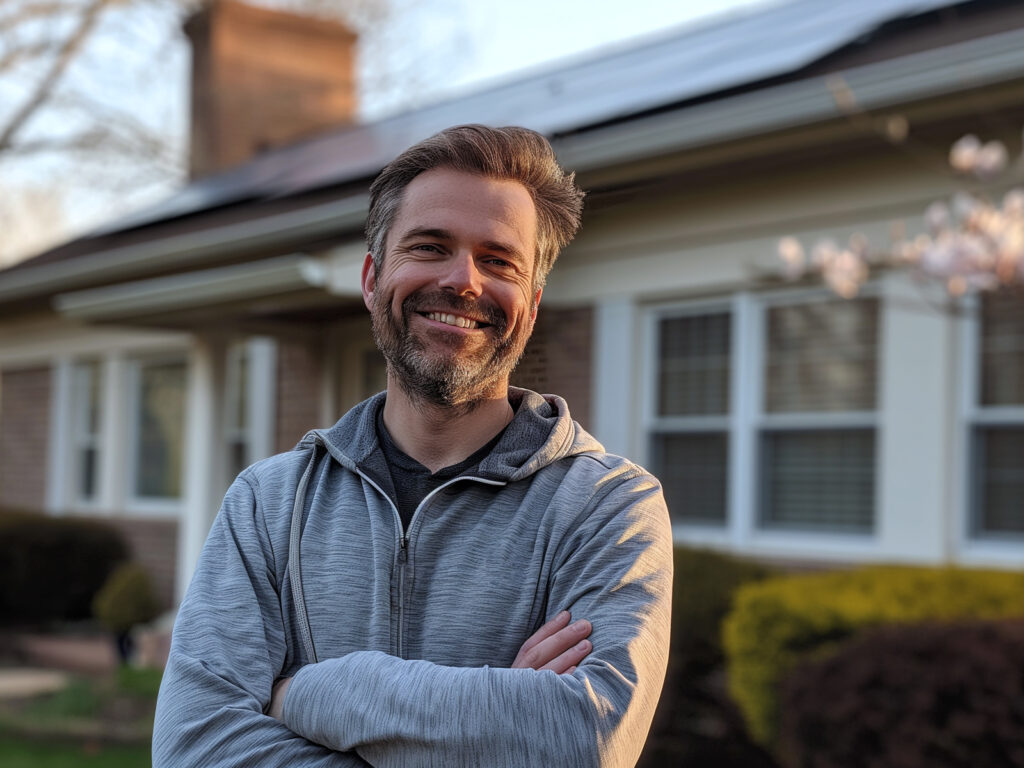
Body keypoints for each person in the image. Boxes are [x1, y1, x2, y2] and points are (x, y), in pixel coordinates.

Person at [153, 124, 673, 767]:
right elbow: (193, 747)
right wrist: (502, 719)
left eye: (499, 260)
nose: (463, 281)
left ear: (532, 306)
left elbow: (588, 740)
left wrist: (308, 694)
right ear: (372, 279)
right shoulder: (269, 503)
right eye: (430, 247)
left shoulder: (606, 507)